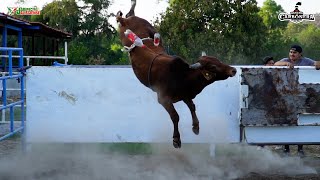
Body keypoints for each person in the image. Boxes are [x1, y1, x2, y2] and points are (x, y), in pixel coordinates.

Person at [274, 45, 320, 156]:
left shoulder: (305, 61)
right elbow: (275, 64)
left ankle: (300, 148)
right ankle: (286, 148)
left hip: (301, 97)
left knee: (300, 122)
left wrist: (318, 63)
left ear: (300, 54)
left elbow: (316, 63)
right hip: (286, 96)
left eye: (294, 53)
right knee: (287, 122)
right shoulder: (285, 60)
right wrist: (285, 64)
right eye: (290, 52)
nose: (292, 54)